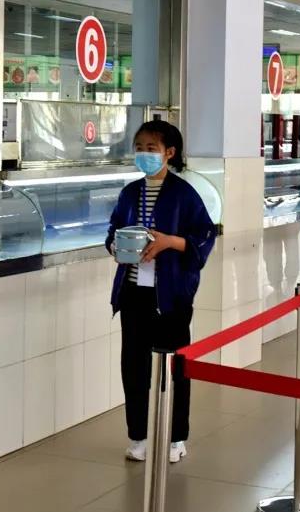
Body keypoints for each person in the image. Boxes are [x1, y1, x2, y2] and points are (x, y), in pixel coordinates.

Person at [106, 120, 216, 465]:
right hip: (133, 293)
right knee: (133, 367)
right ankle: (138, 435)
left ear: (169, 152)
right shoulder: (130, 193)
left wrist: (170, 242)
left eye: (151, 148)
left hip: (171, 296)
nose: (144, 154)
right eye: (139, 147)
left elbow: (205, 235)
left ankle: (176, 436)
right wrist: (115, 246)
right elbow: (112, 230)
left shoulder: (184, 194)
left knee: (175, 368)